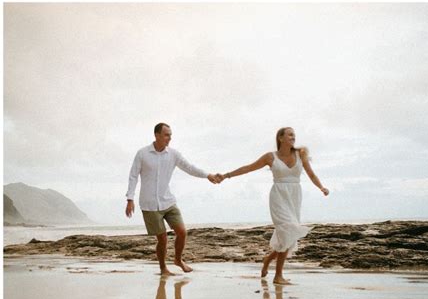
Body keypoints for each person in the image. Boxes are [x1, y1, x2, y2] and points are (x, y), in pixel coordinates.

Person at [217, 127, 329, 284]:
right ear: (280, 138)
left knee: (287, 236)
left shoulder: (300, 154)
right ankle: (278, 276)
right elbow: (249, 168)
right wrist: (226, 175)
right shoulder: (270, 157)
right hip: (278, 196)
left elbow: (311, 174)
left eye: (294, 135)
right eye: (290, 134)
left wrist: (321, 187)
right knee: (288, 230)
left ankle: (268, 260)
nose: (293, 137)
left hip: (294, 197)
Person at [126, 122, 219, 275]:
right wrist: (130, 199)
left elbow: (190, 167)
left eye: (170, 135)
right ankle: (163, 268)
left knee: (182, 232)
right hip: (149, 204)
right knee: (162, 238)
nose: (169, 138)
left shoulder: (173, 154)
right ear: (157, 135)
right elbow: (133, 176)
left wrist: (207, 175)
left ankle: (178, 259)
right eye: (166, 135)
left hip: (168, 201)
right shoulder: (142, 154)